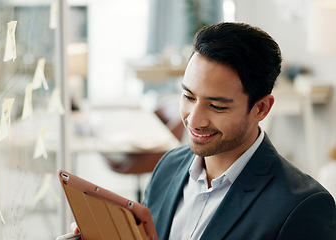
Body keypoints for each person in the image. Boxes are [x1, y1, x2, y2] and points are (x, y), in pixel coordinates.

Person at [143, 22, 336, 239]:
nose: (194, 119)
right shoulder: (168, 166)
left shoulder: (303, 207)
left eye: (216, 106)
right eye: (189, 96)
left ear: (261, 108)